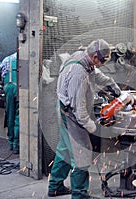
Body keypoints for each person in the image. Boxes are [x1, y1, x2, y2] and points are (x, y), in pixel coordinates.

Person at [48, 39, 121, 198]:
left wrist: (113, 87)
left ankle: (55, 186)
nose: (102, 63)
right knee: (82, 155)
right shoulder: (78, 73)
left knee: (64, 150)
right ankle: (79, 195)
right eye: (102, 60)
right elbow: (78, 109)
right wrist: (92, 126)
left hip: (65, 109)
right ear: (95, 56)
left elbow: (97, 75)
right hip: (71, 114)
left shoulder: (83, 58)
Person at [0, 52, 19, 154]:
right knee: (19, 117)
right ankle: (17, 145)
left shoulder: (7, 59)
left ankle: (11, 143)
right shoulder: (26, 57)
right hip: (20, 88)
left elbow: (0, 78)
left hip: (8, 88)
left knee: (10, 115)